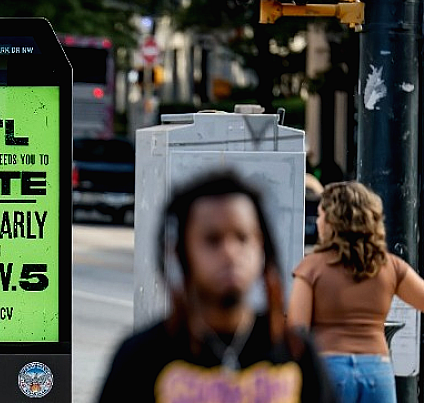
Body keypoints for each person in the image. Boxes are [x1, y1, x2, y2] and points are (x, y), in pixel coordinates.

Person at [98, 172, 335, 402]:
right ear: (181, 252)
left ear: (262, 247)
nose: (230, 253)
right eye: (212, 240)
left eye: (242, 238)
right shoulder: (142, 359)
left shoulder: (295, 354)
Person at [288, 180, 424, 403]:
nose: (319, 221)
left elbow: (297, 332)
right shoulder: (390, 266)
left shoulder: (311, 268)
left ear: (334, 221)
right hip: (377, 372)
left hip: (330, 370)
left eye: (322, 215)